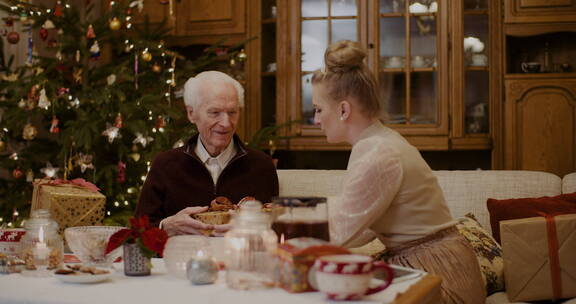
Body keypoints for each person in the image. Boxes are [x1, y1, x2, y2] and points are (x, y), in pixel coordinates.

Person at [311, 40, 485, 303]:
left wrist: (275, 229)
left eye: (318, 109)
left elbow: (341, 232)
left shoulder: (378, 153)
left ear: (343, 109)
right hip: (437, 266)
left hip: (440, 275)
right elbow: (361, 226)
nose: (316, 120)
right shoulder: (379, 141)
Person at [135, 71, 279, 236]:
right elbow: (137, 232)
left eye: (232, 112)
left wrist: (252, 229)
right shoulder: (165, 164)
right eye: (215, 113)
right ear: (191, 113)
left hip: (237, 260)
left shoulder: (261, 165)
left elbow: (276, 232)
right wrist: (166, 227)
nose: (226, 123)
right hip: (180, 259)